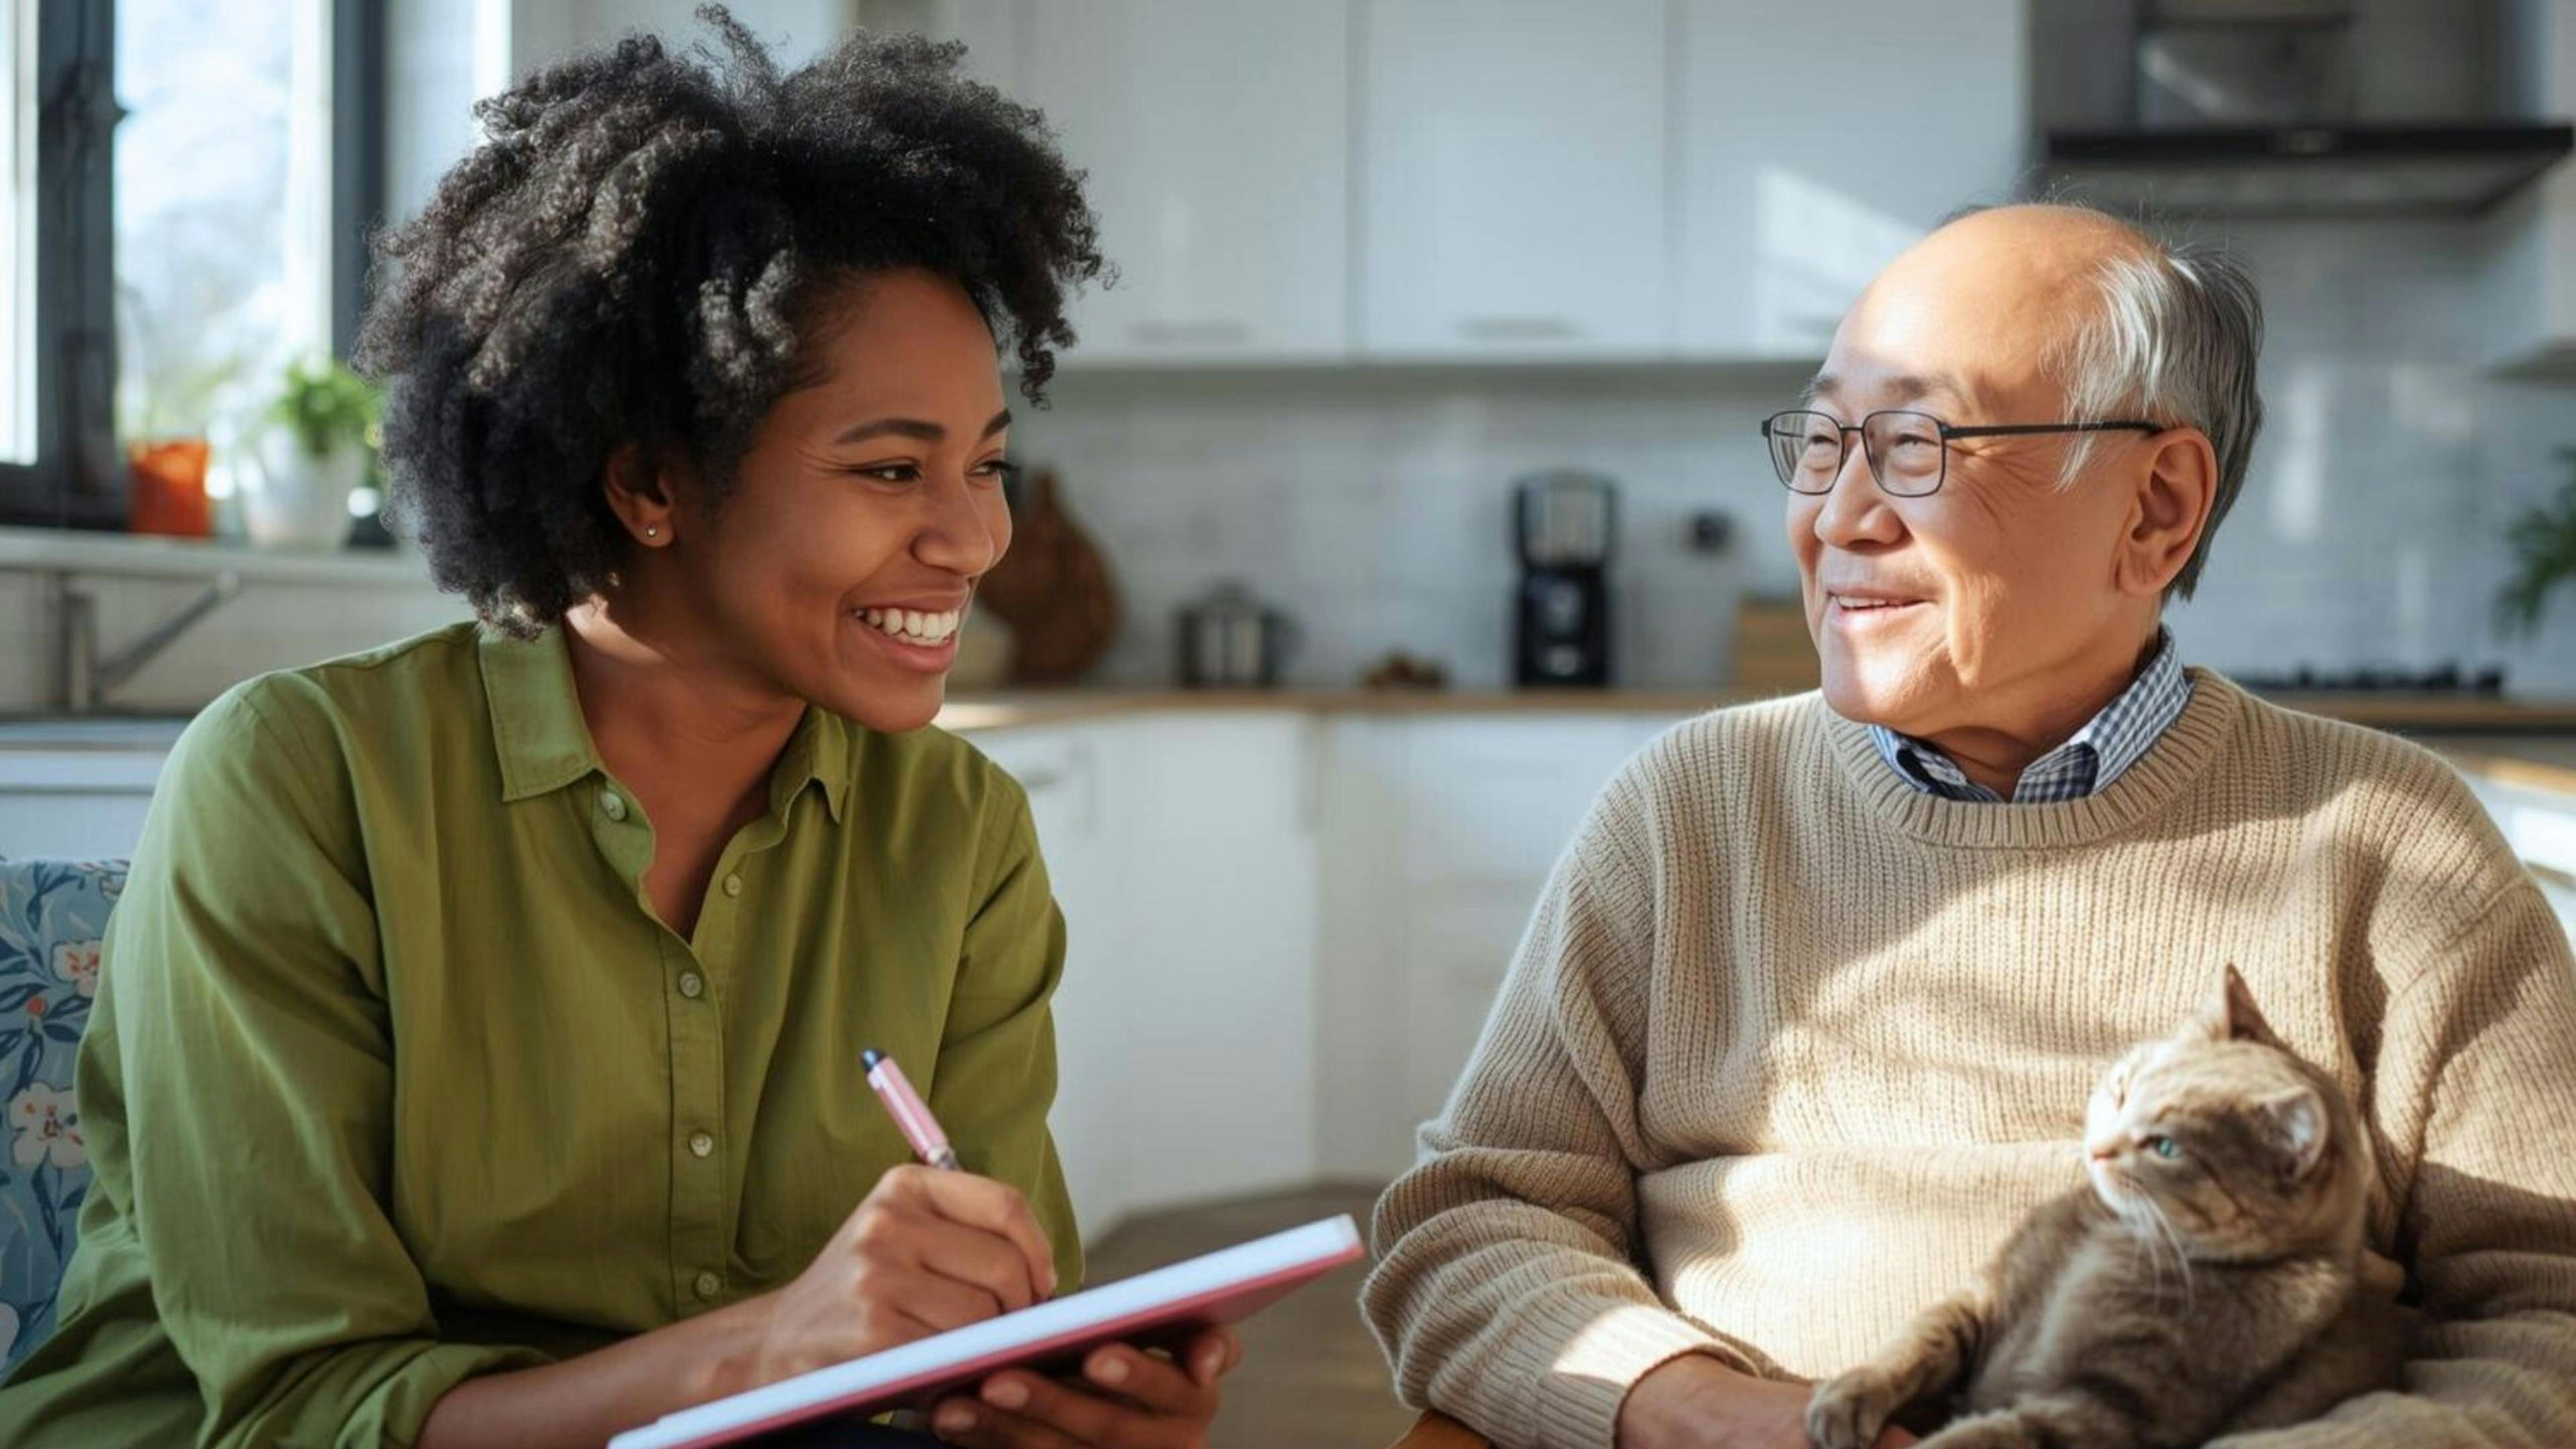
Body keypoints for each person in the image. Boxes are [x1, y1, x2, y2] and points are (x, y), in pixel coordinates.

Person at [0, 15, 1238, 1448]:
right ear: (651, 483)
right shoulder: (298, 784)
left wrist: (1037, 1402)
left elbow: (961, 1337)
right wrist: (769, 1349)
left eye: (986, 465)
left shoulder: (959, 835)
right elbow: (294, 1412)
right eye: (894, 467)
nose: (976, 537)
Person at [1362, 203, 2576, 1449]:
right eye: (1824, 441)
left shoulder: (2394, 851)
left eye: (1915, 443)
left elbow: (2550, 1315)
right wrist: (1704, 1414)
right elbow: (1475, 1225)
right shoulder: (1690, 811)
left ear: (2157, 507)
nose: (1835, 517)